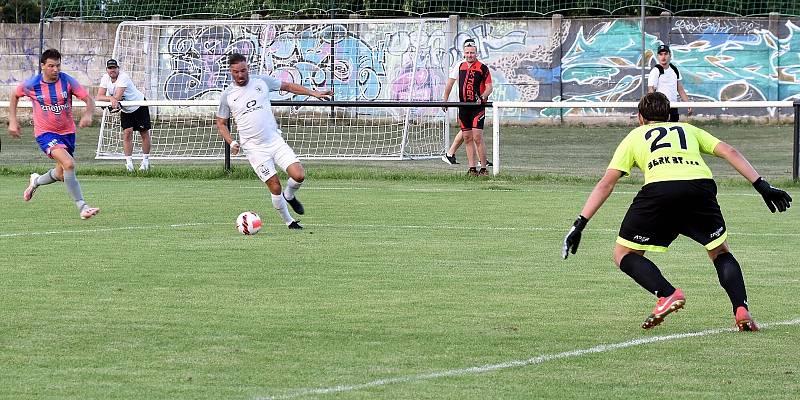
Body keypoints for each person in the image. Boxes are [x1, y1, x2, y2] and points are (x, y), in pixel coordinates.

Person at [562, 92, 791, 331]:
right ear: (670, 115)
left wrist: (580, 224)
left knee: (624, 254)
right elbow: (729, 151)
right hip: (699, 189)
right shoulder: (688, 130)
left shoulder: (635, 136)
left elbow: (606, 183)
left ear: (640, 118)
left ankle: (667, 294)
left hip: (660, 192)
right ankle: (741, 309)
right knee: (720, 252)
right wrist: (762, 186)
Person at [216, 53, 332, 230]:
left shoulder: (261, 82)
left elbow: (288, 86)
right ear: (230, 72)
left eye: (243, 70)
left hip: (274, 141)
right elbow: (221, 123)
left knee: (299, 175)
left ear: (248, 69)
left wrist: (313, 93)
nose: (240, 75)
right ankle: (289, 222)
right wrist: (231, 142)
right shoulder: (228, 95)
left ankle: (290, 195)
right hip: (254, 149)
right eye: (236, 72)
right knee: (275, 186)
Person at [7, 48, 100, 220]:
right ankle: (83, 207)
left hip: (68, 134)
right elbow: (14, 96)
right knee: (69, 164)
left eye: (58, 66)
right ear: (42, 66)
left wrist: (88, 114)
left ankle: (35, 181)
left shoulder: (67, 81)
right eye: (51, 66)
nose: (55, 70)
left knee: (61, 174)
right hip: (45, 134)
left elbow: (89, 100)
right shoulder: (33, 84)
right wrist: (13, 120)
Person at [441, 38, 493, 176]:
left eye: (472, 53)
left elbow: (489, 87)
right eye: (467, 53)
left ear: (476, 53)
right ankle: (471, 169)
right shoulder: (459, 66)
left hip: (477, 107)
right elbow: (449, 84)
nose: (470, 55)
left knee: (477, 137)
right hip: (463, 107)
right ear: (464, 53)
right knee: (467, 137)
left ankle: (483, 168)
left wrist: (482, 97)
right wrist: (444, 101)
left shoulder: (483, 68)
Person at [97, 58, 152, 171]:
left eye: (114, 68)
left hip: (139, 104)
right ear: (107, 70)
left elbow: (117, 97)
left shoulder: (123, 77)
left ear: (118, 68)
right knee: (127, 133)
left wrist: (112, 100)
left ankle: (145, 162)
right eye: (110, 68)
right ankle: (129, 164)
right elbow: (99, 96)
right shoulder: (105, 78)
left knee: (144, 133)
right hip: (126, 109)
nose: (112, 70)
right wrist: (111, 99)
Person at [647, 44, 692, 122]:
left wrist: (688, 104)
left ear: (670, 55)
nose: (663, 57)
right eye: (661, 54)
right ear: (657, 56)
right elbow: (651, 91)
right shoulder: (655, 71)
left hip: (674, 107)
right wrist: (653, 108)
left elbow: (680, 89)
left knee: (674, 130)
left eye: (665, 54)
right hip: (661, 108)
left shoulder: (674, 70)